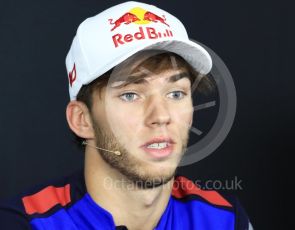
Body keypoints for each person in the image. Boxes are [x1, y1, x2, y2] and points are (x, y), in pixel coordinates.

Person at [0, 1, 253, 229]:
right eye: (131, 95)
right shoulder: (27, 223)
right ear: (82, 120)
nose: (161, 116)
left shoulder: (224, 219)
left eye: (175, 93)